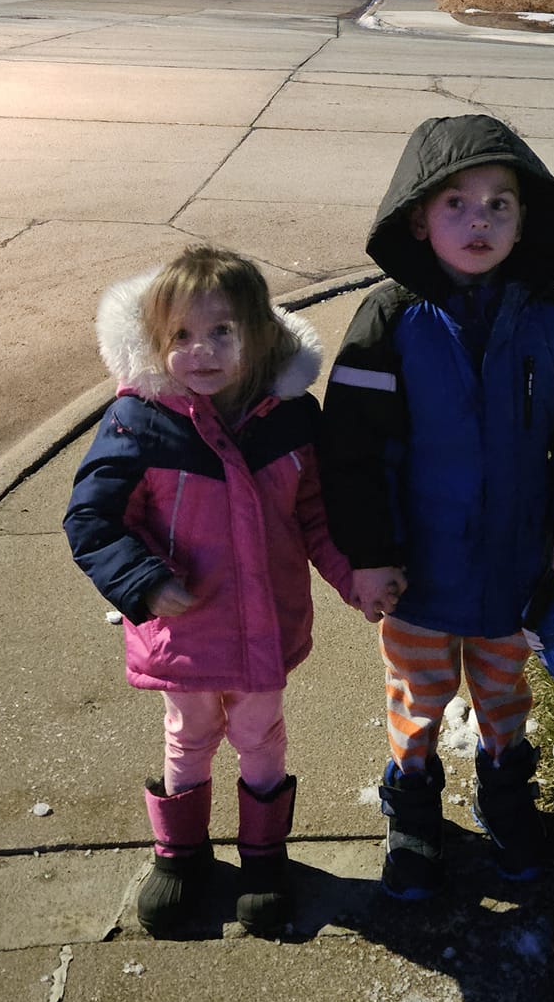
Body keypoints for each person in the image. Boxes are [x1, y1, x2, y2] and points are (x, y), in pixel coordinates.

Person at [322, 115, 554, 896]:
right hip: (416, 575)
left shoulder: (549, 319)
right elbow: (350, 449)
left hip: (514, 567)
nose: (478, 220)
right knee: (417, 695)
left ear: (527, 221)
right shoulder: (387, 322)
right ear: (418, 216)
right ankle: (414, 806)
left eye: (499, 203)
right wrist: (370, 553)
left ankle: (503, 787)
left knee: (501, 689)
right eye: (455, 202)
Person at [63, 245, 361, 938]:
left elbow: (318, 512)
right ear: (156, 343)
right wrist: (142, 580)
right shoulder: (140, 421)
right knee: (188, 734)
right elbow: (93, 516)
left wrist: (354, 578)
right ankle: (180, 854)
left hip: (265, 626)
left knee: (261, 738)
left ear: (257, 333)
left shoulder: (290, 418)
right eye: (181, 337)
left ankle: (262, 858)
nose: (202, 352)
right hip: (186, 630)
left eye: (222, 332)